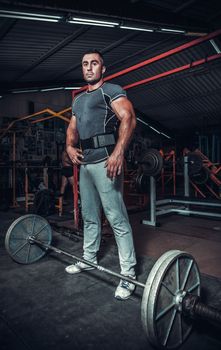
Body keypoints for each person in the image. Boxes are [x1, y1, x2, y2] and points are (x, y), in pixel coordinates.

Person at [65, 49, 137, 300]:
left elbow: (128, 118)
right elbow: (72, 128)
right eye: (85, 64)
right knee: (89, 216)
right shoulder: (78, 100)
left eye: (94, 63)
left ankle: (128, 276)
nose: (88, 67)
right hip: (86, 164)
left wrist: (118, 153)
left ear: (102, 69)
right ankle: (88, 258)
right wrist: (69, 146)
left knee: (116, 218)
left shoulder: (112, 90)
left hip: (107, 162)